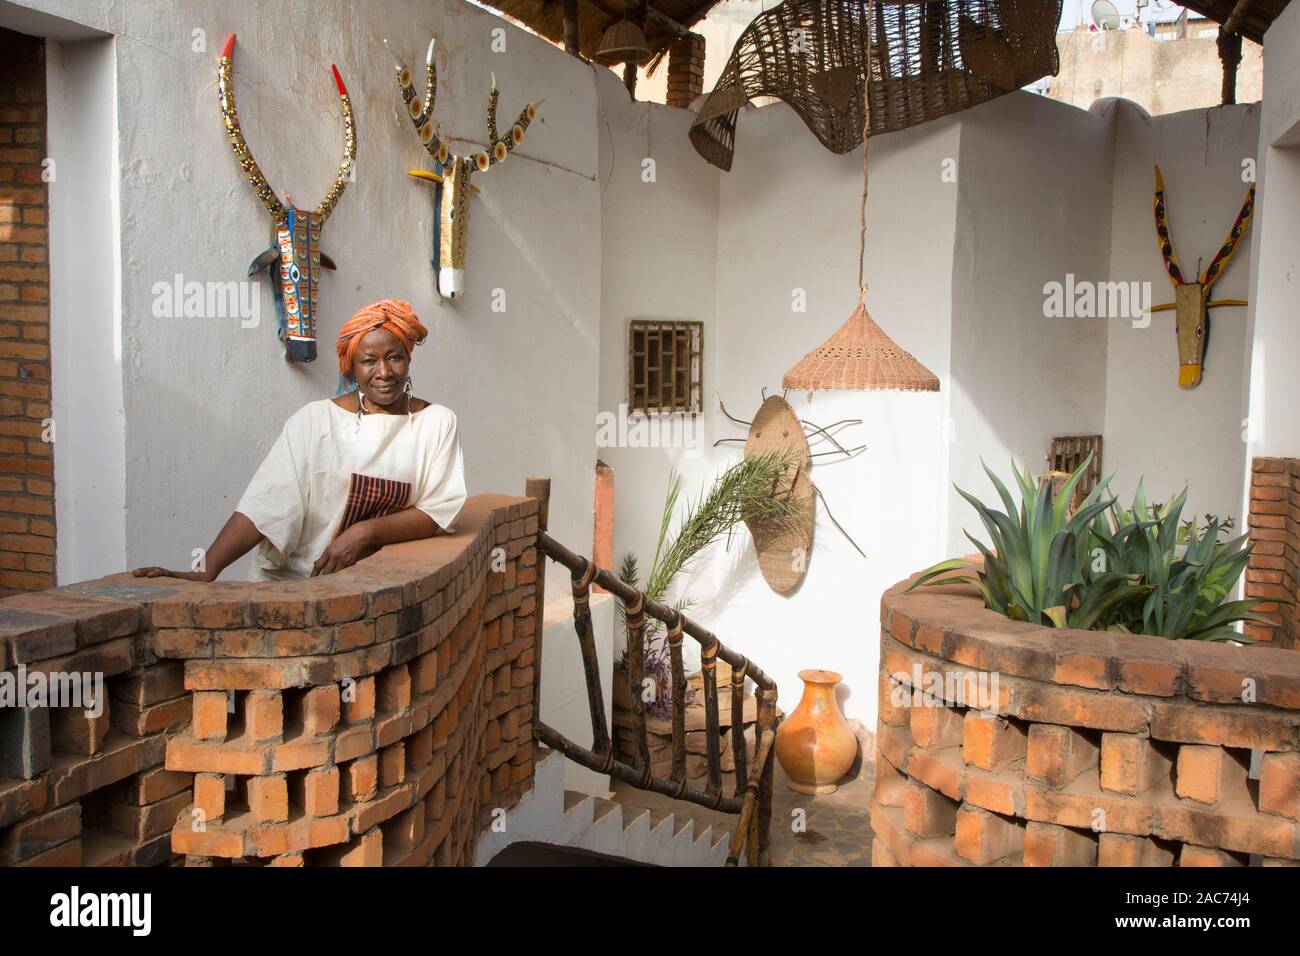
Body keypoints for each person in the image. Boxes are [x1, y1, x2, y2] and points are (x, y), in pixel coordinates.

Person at [133, 299, 465, 582]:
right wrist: (205, 571)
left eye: (394, 357)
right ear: (351, 366)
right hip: (292, 584)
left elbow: (438, 510)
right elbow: (264, 505)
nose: (384, 371)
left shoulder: (435, 424)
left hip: (370, 590)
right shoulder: (316, 421)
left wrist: (365, 532)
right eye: (369, 361)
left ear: (408, 358)